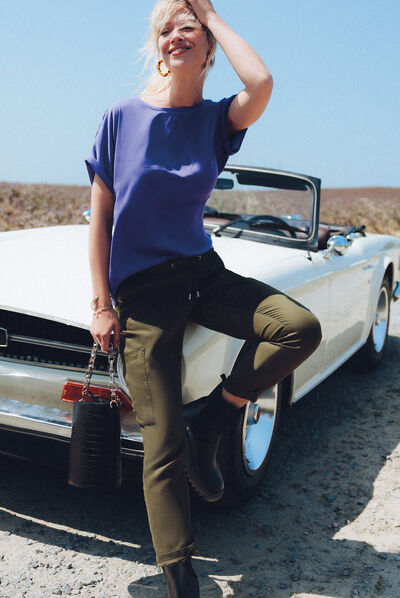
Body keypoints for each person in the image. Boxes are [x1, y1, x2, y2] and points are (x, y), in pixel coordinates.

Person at [86, 1, 322, 596]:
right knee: (162, 442)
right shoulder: (121, 117)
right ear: (159, 48)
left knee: (298, 327)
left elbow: (261, 82)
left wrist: (210, 14)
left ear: (208, 46)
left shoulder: (218, 120)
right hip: (144, 293)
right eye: (167, 29)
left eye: (187, 26)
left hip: (203, 274)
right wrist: (102, 304)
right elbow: (101, 220)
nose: (176, 35)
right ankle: (179, 574)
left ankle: (219, 413)